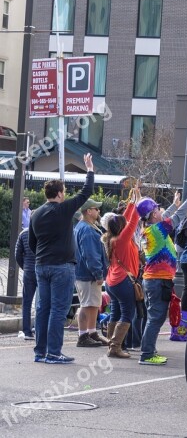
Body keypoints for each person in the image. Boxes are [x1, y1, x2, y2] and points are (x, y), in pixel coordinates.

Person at [29, 153, 95, 364]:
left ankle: (40, 351)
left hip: (42, 265)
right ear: (58, 194)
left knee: (43, 309)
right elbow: (86, 193)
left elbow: (32, 242)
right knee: (58, 310)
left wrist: (41, 256)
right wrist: (90, 170)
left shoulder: (36, 214)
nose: (65, 195)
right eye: (64, 192)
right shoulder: (64, 209)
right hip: (62, 267)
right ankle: (54, 352)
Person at [136, 179, 187, 366]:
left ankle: (149, 350)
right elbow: (178, 216)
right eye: (157, 210)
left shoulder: (150, 229)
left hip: (154, 280)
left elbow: (170, 215)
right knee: (156, 318)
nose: (160, 211)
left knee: (153, 317)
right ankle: (147, 354)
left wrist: (174, 204)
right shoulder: (157, 230)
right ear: (153, 214)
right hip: (158, 281)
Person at [102, 186, 142, 358]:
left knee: (116, 312)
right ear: (121, 228)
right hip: (122, 281)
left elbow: (125, 219)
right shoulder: (123, 239)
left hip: (112, 281)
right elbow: (132, 221)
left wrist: (132, 202)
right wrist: (138, 203)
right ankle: (115, 347)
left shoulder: (112, 237)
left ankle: (111, 345)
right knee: (128, 313)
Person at [73, 197, 109, 348]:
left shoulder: (84, 226)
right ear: (88, 211)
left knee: (91, 304)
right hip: (87, 274)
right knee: (88, 304)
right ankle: (83, 335)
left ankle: (91, 332)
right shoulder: (87, 229)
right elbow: (91, 255)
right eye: (96, 209)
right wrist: (98, 274)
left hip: (84, 273)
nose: (98, 211)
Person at [14, 226, 36, 340]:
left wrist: (25, 267)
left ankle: (26, 331)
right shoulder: (43, 231)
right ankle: (39, 328)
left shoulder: (23, 233)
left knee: (27, 302)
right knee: (43, 302)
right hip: (42, 269)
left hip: (29, 271)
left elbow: (17, 254)